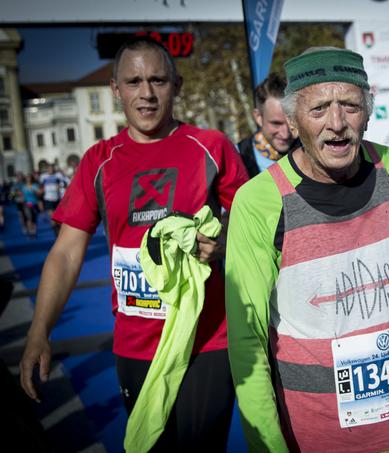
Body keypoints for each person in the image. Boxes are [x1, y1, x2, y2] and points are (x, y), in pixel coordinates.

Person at [225, 46, 389, 452]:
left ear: (367, 112)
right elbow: (248, 338)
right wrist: (267, 445)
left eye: (349, 106)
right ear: (295, 121)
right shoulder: (259, 201)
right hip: (320, 437)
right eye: (319, 110)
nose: (337, 124)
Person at [19, 36, 248, 450]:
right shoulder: (98, 161)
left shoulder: (211, 147)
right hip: (135, 343)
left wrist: (226, 241)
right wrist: (39, 330)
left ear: (176, 86)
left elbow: (253, 225)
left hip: (208, 339)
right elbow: (67, 252)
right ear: (116, 89)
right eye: (134, 81)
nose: (146, 93)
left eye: (158, 80)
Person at [237, 73, 294, 178]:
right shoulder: (237, 156)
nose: (285, 134)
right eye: (276, 123)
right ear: (258, 117)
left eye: (292, 122)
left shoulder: (311, 153)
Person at [39, 163, 69, 235]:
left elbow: (66, 183)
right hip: (48, 199)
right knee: (53, 219)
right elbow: (40, 186)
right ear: (47, 169)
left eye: (52, 168)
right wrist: (41, 192)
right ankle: (56, 233)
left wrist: (60, 186)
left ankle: (59, 232)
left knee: (58, 219)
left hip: (57, 199)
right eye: (49, 169)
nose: (51, 170)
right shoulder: (43, 176)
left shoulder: (58, 175)